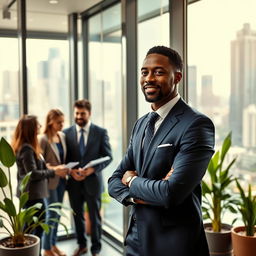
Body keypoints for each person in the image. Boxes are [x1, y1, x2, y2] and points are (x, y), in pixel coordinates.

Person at [108, 46, 215, 256]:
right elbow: (113, 180)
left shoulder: (196, 125)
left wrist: (131, 182)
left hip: (173, 245)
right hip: (135, 241)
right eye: (144, 72)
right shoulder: (141, 124)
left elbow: (170, 193)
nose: (149, 78)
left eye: (158, 72)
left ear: (177, 77)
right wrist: (136, 195)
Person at [12, 115, 68, 256]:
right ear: (31, 128)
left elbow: (33, 170)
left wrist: (50, 169)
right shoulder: (26, 149)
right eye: (37, 125)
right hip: (32, 195)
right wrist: (53, 171)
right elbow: (33, 174)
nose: (40, 127)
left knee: (32, 228)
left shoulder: (28, 146)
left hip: (33, 194)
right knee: (35, 229)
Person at [64, 99, 112, 256]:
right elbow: (63, 159)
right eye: (76, 113)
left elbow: (108, 156)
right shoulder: (66, 133)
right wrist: (71, 172)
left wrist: (92, 169)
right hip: (74, 184)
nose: (79, 116)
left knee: (95, 218)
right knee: (77, 217)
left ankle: (96, 249)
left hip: (93, 182)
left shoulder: (101, 132)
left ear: (89, 114)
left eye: (82, 113)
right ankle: (82, 245)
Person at [39, 109, 67, 256]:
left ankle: (53, 245)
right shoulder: (43, 139)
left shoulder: (62, 136)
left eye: (63, 121)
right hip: (49, 183)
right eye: (59, 122)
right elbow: (40, 165)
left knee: (57, 214)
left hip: (62, 181)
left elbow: (63, 159)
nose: (62, 125)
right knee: (51, 215)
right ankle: (46, 249)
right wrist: (57, 168)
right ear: (50, 122)